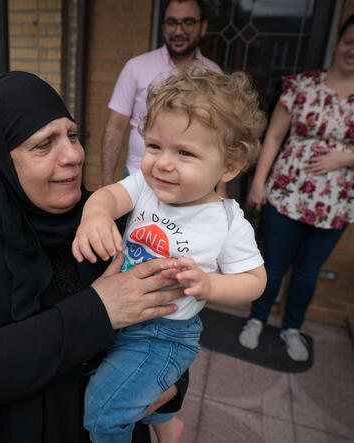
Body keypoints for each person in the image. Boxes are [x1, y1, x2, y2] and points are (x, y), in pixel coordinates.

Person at [0, 71, 191, 443]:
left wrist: (172, 387)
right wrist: (98, 310)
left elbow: (171, 321)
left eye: (72, 135)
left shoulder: (112, 218)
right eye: (45, 145)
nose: (74, 155)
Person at [72, 68, 267, 442]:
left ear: (228, 166)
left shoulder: (227, 223)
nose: (163, 162)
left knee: (102, 409)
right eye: (154, 146)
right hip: (118, 312)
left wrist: (209, 283)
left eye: (185, 152)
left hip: (163, 335)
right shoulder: (146, 185)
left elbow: (255, 282)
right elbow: (109, 196)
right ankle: (166, 418)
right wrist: (95, 214)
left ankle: (154, 407)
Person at [239, 7, 354, 361]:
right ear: (336, 42)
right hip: (286, 190)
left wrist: (343, 158)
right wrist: (259, 180)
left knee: (307, 271)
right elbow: (273, 137)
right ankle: (256, 319)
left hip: (336, 199)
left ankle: (291, 328)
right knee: (272, 264)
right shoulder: (302, 85)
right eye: (349, 42)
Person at [100, 0, 221, 187]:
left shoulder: (214, 75)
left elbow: (220, 136)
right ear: (164, 27)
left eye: (188, 22)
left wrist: (220, 189)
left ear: (202, 27)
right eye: (172, 23)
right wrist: (107, 186)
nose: (178, 31)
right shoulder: (136, 67)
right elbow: (115, 128)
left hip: (192, 187)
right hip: (138, 180)